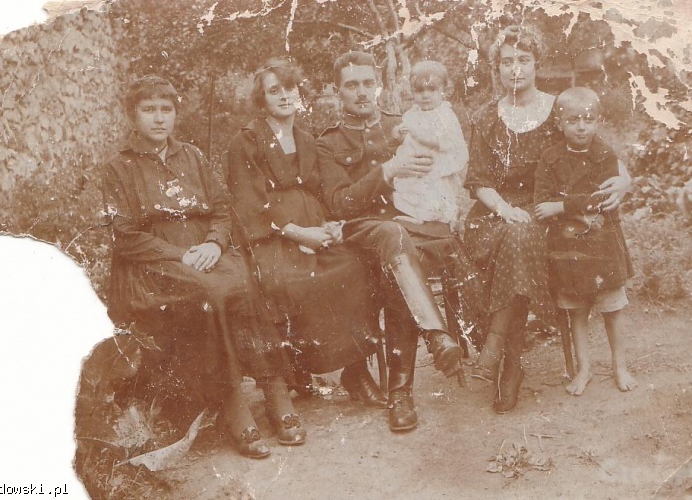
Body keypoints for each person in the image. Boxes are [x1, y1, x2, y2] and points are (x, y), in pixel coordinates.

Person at [102, 75, 304, 459]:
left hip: (205, 249)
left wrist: (213, 242)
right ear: (133, 115)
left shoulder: (191, 156)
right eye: (149, 110)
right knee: (210, 293)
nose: (159, 118)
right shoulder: (119, 168)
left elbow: (222, 207)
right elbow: (125, 236)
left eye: (166, 109)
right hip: (156, 262)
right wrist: (179, 255)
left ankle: (275, 390)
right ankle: (232, 403)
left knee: (244, 281)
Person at [465, 25, 631, 413]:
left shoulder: (560, 109)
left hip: (548, 210)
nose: (516, 69)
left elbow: (601, 152)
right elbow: (479, 181)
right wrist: (504, 209)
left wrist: (625, 179)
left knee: (521, 239)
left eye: (524, 60)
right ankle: (506, 360)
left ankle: (504, 359)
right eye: (507, 61)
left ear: (537, 64)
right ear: (496, 67)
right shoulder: (486, 117)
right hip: (496, 212)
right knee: (513, 238)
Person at [317, 50, 484, 432]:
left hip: (411, 228)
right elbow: (339, 203)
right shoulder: (327, 143)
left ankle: (401, 392)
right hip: (361, 231)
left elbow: (446, 163)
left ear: (378, 86)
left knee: (402, 258)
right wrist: (389, 170)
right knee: (396, 240)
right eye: (352, 85)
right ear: (337, 90)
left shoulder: (406, 124)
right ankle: (435, 337)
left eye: (368, 83)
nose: (362, 92)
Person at [226, 58, 388, 410]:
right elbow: (249, 204)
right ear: (262, 99)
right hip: (271, 237)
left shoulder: (306, 138)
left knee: (354, 267)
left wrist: (330, 225)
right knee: (289, 282)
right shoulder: (247, 141)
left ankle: (356, 370)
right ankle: (295, 370)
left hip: (313, 228)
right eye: (274, 90)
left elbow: (323, 191)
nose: (285, 96)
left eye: (290, 88)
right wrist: (300, 234)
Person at [534, 86, 636, 395]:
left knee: (612, 308)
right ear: (560, 123)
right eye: (574, 120)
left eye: (589, 119)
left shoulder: (604, 154)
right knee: (577, 311)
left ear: (598, 121)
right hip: (568, 248)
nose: (581, 127)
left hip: (603, 245)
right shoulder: (550, 158)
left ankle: (620, 367)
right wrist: (567, 208)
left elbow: (602, 199)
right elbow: (541, 203)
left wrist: (562, 206)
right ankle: (584, 369)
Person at [392, 60, 468, 230]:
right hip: (417, 163)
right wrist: (399, 133)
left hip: (437, 163)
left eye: (432, 90)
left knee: (436, 191)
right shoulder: (413, 113)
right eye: (419, 91)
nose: (425, 96)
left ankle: (449, 215)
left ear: (443, 90)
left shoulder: (444, 114)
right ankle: (419, 216)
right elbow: (405, 137)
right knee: (414, 190)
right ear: (413, 91)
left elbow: (443, 141)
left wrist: (419, 135)